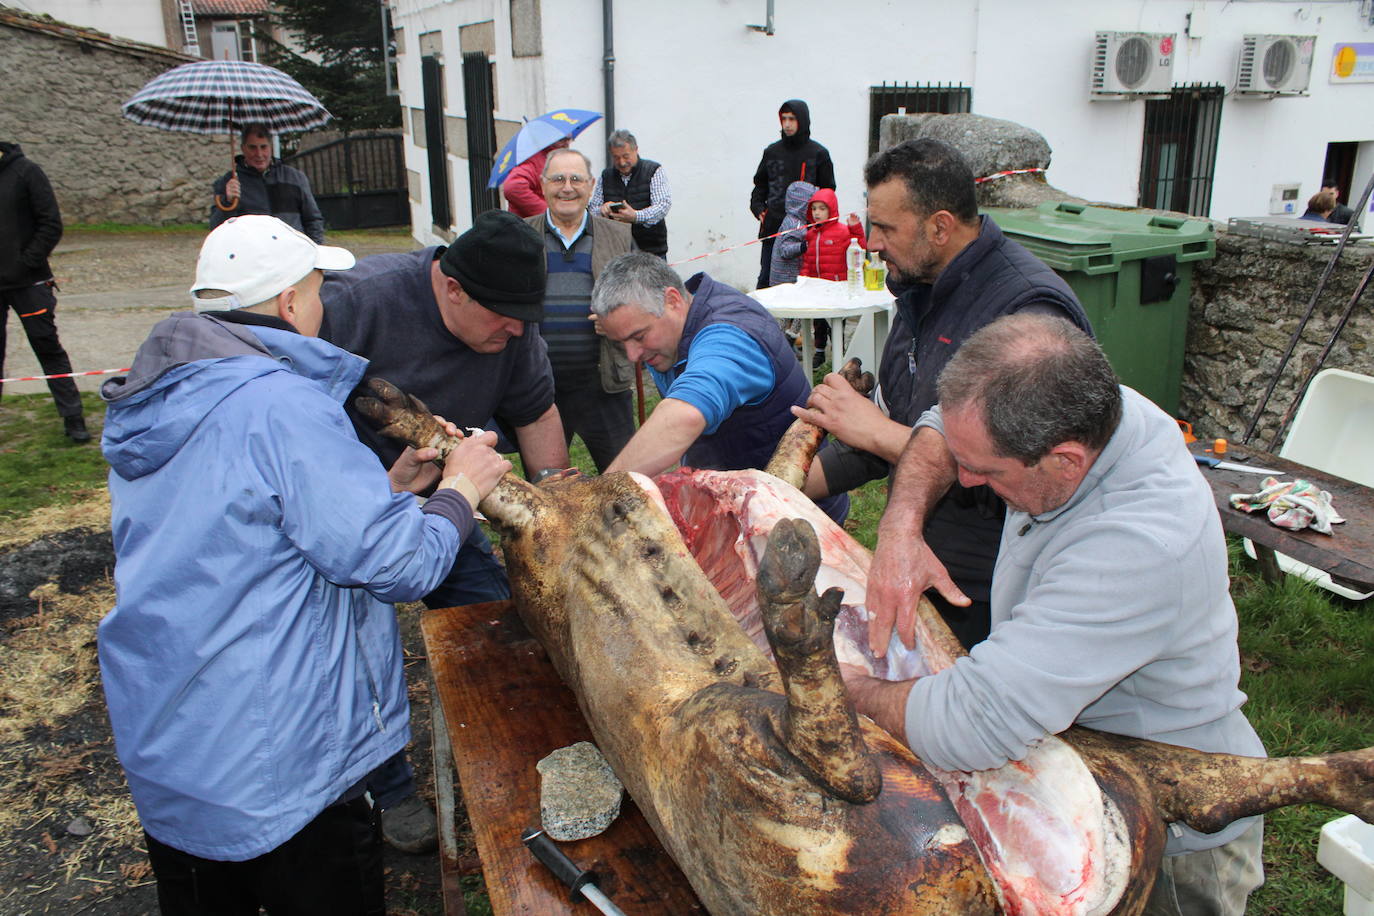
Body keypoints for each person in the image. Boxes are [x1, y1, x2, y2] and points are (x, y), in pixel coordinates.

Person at [98, 215, 512, 915]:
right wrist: (463, 487)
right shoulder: (283, 403)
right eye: (318, 290)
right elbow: (402, 566)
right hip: (282, 763)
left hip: (179, 744)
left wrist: (386, 493)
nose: (323, 308)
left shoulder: (163, 401)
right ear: (291, 302)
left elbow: (248, 530)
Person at [842, 313, 1266, 915]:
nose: (963, 481)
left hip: (1173, 834)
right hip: (1074, 764)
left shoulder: (1139, 546)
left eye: (985, 472)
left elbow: (972, 724)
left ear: (1065, 461)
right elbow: (942, 425)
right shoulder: (1089, 409)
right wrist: (902, 524)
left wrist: (849, 689)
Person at [793, 138, 1090, 649]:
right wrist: (776, 486)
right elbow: (878, 441)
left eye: (886, 228)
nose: (872, 243)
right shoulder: (919, 291)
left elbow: (1020, 469)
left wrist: (875, 429)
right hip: (921, 559)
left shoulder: (1027, 312)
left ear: (940, 226)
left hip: (996, 592)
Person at [594, 251, 847, 522]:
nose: (632, 355)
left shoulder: (730, 334)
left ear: (672, 300)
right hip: (741, 508)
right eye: (621, 342)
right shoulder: (680, 316)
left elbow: (685, 416)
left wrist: (600, 499)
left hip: (796, 517)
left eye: (639, 336)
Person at [525, 148, 636, 472]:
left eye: (576, 179)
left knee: (623, 481)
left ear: (590, 186)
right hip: (541, 385)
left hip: (604, 383)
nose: (567, 187)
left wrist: (619, 320)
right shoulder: (522, 235)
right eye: (558, 178)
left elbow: (644, 297)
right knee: (547, 485)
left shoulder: (619, 236)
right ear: (543, 185)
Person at [0, 141, 89, 441]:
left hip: (29, 282)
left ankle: (73, 418)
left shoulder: (26, 172)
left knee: (47, 347)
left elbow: (51, 224)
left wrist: (26, 262)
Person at [750, 99, 835, 289]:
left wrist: (819, 220)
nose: (787, 124)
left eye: (792, 119)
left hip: (809, 231)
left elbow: (828, 191)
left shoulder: (819, 153)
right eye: (784, 118)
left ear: (802, 120)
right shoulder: (772, 152)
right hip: (774, 228)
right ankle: (766, 320)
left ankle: (813, 321)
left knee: (809, 283)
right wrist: (759, 209)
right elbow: (759, 185)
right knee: (767, 282)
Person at [210, 124, 325, 243]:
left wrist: (315, 250)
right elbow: (217, 229)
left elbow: (313, 220)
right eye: (252, 147)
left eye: (263, 147)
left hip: (292, 252)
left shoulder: (295, 178)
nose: (259, 154)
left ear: (271, 147)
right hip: (252, 255)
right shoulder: (229, 182)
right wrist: (227, 203)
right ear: (243, 148)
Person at [799, 187, 867, 366]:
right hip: (816, 286)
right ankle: (819, 352)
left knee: (836, 323)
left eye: (822, 208)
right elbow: (807, 260)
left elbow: (860, 247)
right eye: (814, 209)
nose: (817, 213)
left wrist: (856, 228)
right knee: (818, 322)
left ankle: (840, 355)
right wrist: (804, 278)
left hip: (837, 287)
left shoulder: (843, 231)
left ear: (832, 209)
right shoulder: (811, 234)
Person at [589, 129, 672, 259]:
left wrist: (635, 216)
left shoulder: (653, 170)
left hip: (652, 250)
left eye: (626, 156)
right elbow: (592, 209)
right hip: (616, 250)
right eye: (616, 158)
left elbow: (662, 206)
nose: (621, 162)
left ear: (636, 150)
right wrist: (602, 210)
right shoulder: (606, 176)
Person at [767, 179, 818, 287]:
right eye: (812, 206)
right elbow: (785, 250)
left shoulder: (793, 220)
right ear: (803, 206)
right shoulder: (795, 225)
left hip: (785, 279)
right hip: (785, 281)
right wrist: (803, 246)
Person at [503, 137, 571, 217]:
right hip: (530, 226)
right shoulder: (533, 159)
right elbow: (513, 188)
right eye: (562, 140)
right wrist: (547, 214)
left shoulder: (553, 158)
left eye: (569, 139)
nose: (567, 144)